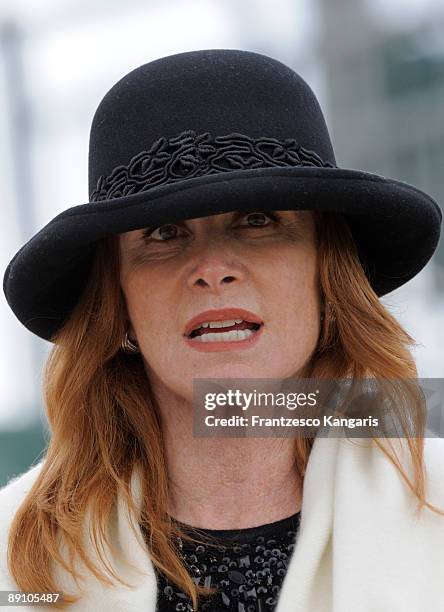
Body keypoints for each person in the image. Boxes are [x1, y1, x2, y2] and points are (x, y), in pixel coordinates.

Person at [1, 48, 443, 612]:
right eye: (164, 233)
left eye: (258, 221)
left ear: (327, 271)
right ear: (117, 300)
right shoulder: (13, 559)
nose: (213, 269)